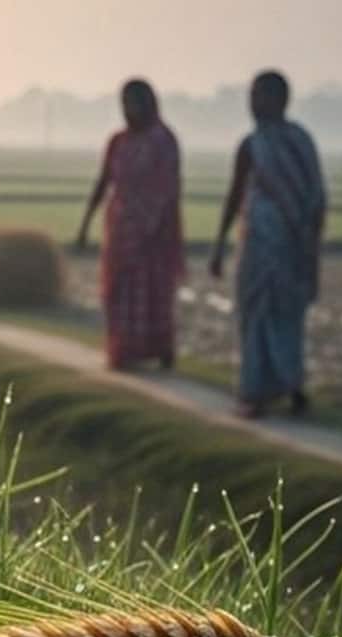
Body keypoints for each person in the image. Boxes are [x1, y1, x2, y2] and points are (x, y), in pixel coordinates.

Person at [210, 70, 327, 417]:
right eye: (252, 94)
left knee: (288, 316)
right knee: (255, 316)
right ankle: (256, 391)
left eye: (261, 95)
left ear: (281, 100)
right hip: (257, 247)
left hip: (292, 246)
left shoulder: (299, 141)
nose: (254, 102)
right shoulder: (251, 144)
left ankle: (291, 385)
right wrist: (219, 245)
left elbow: (317, 194)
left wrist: (310, 241)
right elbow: (234, 195)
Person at [76, 78, 183, 370]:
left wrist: (152, 224)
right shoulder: (118, 142)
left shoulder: (163, 141)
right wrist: (86, 223)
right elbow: (104, 181)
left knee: (154, 294)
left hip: (155, 233)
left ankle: (160, 349)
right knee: (119, 292)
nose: (129, 111)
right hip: (121, 230)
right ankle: (125, 349)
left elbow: (168, 189)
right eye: (124, 104)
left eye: (134, 104)